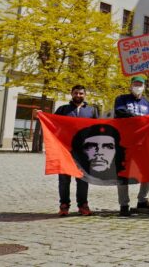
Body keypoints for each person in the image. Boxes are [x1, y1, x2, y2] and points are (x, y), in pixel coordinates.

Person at [114, 74, 149, 216]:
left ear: (144, 87)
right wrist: (138, 119)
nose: (137, 87)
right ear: (131, 86)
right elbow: (120, 112)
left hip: (142, 144)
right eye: (135, 84)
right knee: (123, 173)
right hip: (124, 143)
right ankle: (124, 205)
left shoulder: (147, 104)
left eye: (140, 85)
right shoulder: (121, 99)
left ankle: (142, 199)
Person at [55, 85, 98, 216]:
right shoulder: (63, 109)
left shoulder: (92, 111)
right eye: (76, 93)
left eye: (81, 93)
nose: (78, 95)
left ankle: (83, 205)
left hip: (84, 151)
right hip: (65, 150)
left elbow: (98, 130)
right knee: (64, 180)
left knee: (83, 179)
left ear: (85, 95)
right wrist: (39, 115)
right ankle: (64, 205)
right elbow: (52, 124)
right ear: (71, 93)